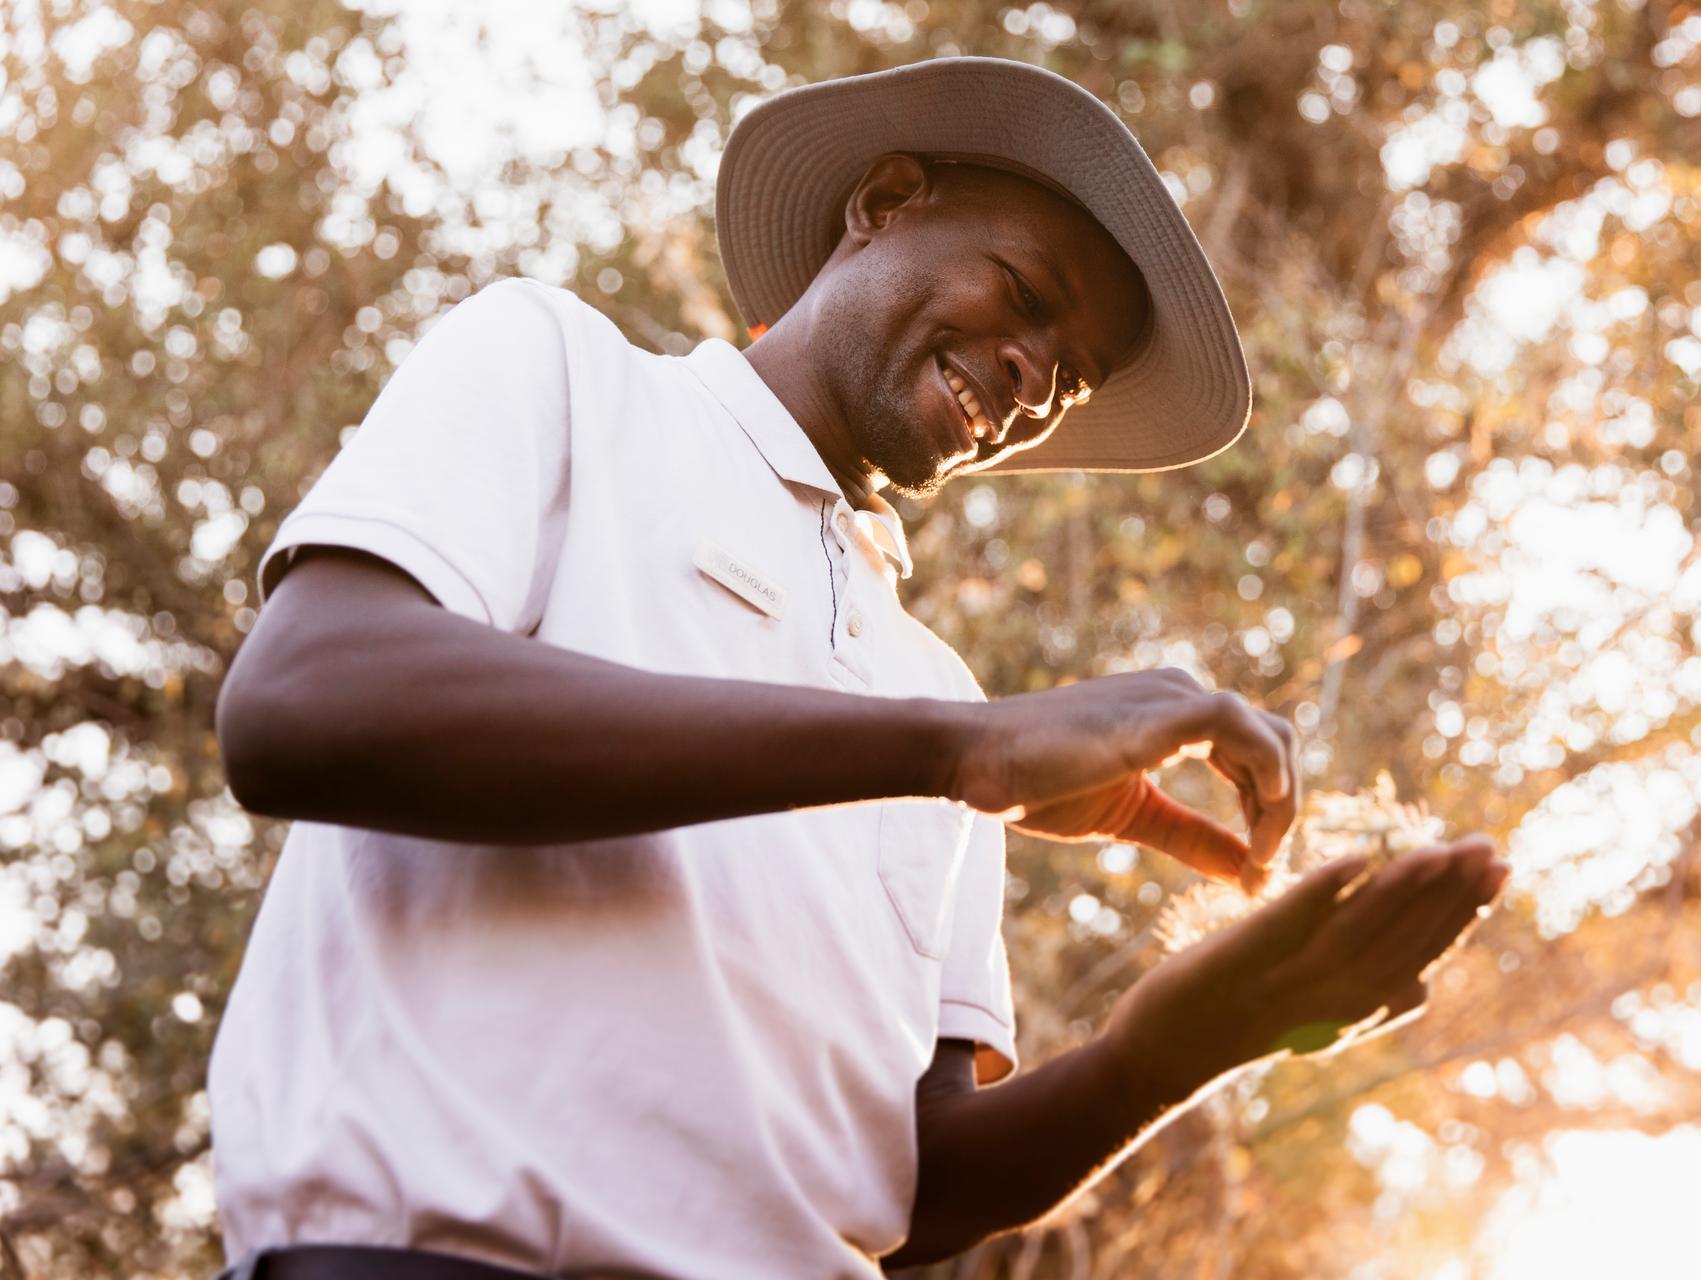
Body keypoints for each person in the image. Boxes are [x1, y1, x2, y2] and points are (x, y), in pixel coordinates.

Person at [209, 57, 1506, 1279]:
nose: (1037, 375)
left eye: (1072, 375)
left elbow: (916, 1184)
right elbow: (304, 703)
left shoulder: (938, 686)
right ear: (884, 203)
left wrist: (1169, 1050)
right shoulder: (566, 374)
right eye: (1030, 295)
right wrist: (955, 752)